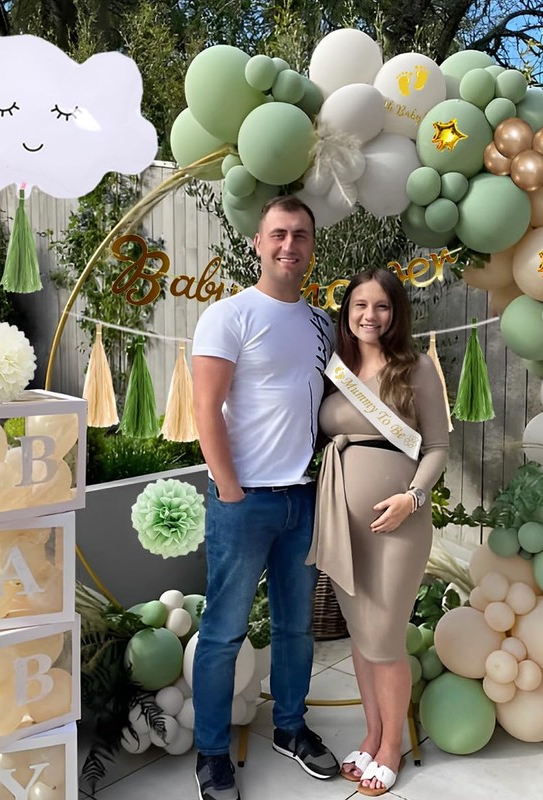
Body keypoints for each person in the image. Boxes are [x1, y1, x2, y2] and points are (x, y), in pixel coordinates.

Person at [191, 195, 339, 800]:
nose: (289, 245)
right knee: (224, 631)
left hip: (302, 500)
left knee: (296, 627)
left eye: (300, 234)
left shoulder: (322, 324)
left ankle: (290, 727)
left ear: (311, 245)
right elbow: (205, 408)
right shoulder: (228, 315)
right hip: (243, 500)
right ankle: (211, 753)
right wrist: (229, 488)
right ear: (258, 242)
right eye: (278, 233)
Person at [308, 268, 449, 797]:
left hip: (398, 523)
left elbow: (437, 447)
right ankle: (372, 734)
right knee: (361, 635)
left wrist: (413, 497)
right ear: (346, 311)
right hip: (340, 519)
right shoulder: (333, 368)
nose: (370, 316)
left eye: (382, 306)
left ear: (396, 313)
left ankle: (392, 747)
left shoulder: (416, 368)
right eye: (360, 306)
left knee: (385, 636)